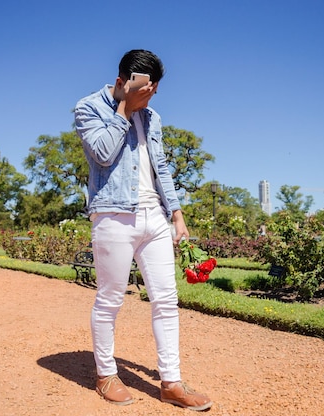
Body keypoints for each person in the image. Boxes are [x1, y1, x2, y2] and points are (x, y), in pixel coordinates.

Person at [74, 49, 212, 411]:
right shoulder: (88, 108)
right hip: (113, 215)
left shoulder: (153, 117)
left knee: (166, 300)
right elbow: (102, 154)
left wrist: (177, 214)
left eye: (153, 91)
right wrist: (125, 109)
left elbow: (160, 165)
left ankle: (172, 383)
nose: (150, 97)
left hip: (155, 218)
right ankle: (106, 374)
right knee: (110, 299)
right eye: (145, 89)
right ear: (123, 81)